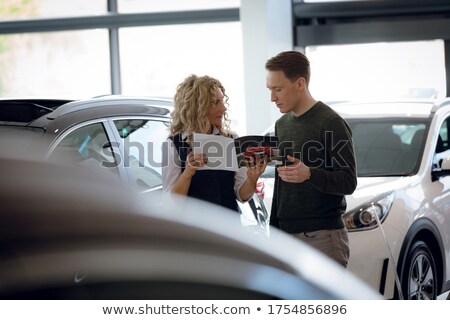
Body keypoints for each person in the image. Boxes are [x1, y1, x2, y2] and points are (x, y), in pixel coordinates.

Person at [265, 51, 357, 267]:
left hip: (322, 237)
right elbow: (282, 183)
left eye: (278, 89)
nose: (272, 98)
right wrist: (274, 230)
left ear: (300, 83)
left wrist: (309, 174)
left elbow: (348, 181)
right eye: (270, 90)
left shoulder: (331, 122)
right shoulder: (282, 124)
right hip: (286, 237)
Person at [162, 74, 267, 211]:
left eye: (222, 101)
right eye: (215, 102)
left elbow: (242, 196)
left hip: (228, 227)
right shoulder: (173, 145)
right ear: (197, 108)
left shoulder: (232, 140)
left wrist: (252, 179)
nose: (223, 109)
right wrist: (187, 173)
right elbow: (171, 204)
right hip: (193, 230)